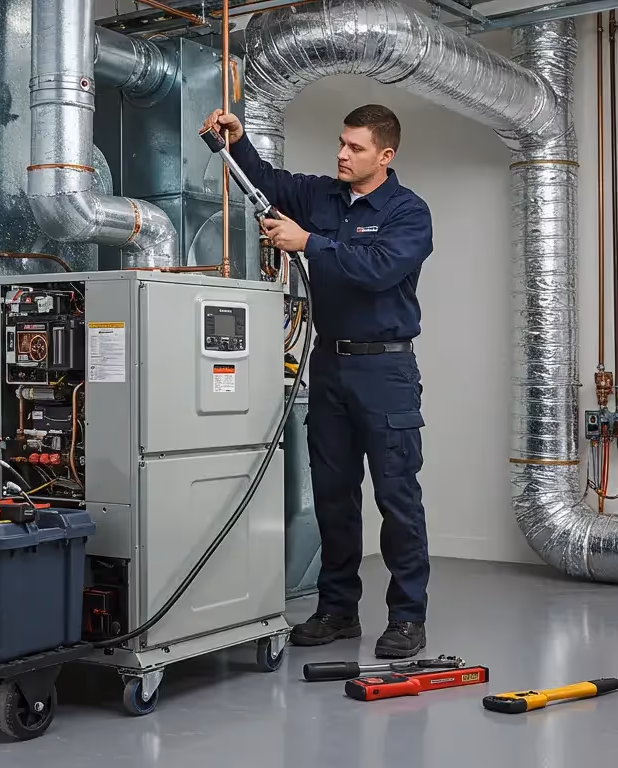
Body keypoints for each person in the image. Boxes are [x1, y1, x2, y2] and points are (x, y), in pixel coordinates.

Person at [202, 104, 433, 658]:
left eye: (355, 148)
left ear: (385, 155)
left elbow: (378, 269)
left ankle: (406, 617)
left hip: (385, 369)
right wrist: (237, 142)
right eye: (340, 144)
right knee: (332, 496)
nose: (342, 155)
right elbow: (269, 183)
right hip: (327, 365)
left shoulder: (409, 212)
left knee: (397, 497)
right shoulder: (324, 195)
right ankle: (337, 610)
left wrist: (309, 244)